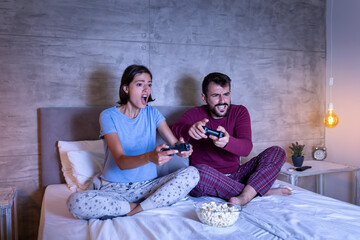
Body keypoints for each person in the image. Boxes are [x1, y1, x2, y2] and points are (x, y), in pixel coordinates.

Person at [67, 64, 199, 219]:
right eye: (140, 84)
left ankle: (137, 208)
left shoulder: (153, 113)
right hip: (114, 190)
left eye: (149, 85)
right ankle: (141, 208)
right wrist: (150, 157)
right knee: (75, 203)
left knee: (192, 173)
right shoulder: (108, 116)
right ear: (125, 89)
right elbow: (121, 161)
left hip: (148, 187)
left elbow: (175, 143)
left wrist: (182, 150)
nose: (146, 89)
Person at [170, 72, 290, 206]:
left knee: (277, 152)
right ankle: (256, 192)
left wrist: (228, 142)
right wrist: (189, 129)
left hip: (236, 175)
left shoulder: (239, 112)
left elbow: (246, 149)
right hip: (207, 178)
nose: (222, 101)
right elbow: (171, 130)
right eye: (215, 95)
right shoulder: (195, 113)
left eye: (226, 94)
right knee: (197, 173)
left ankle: (246, 195)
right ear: (204, 97)